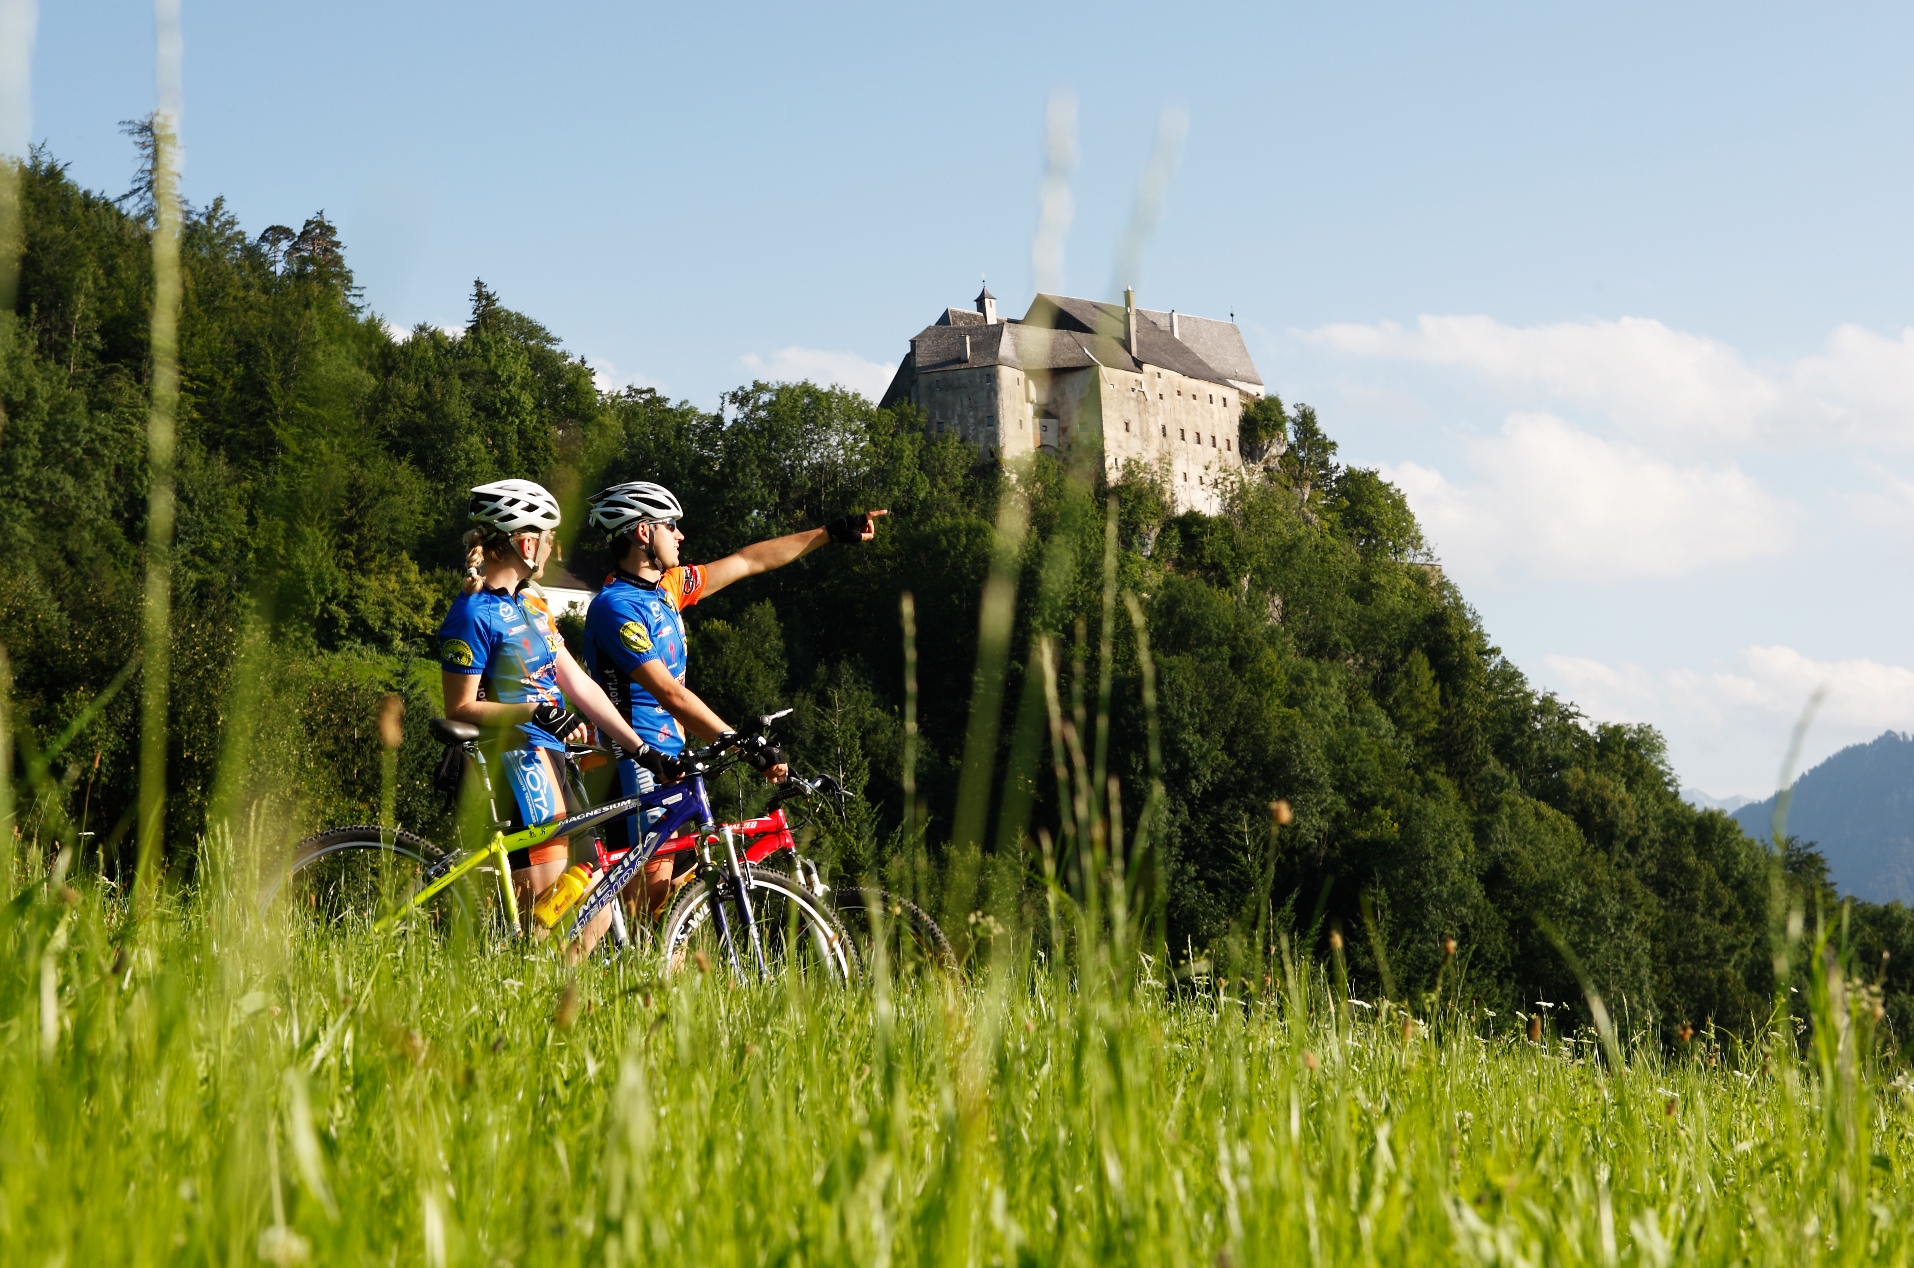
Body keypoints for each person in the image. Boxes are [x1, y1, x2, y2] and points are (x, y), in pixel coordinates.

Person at [583, 480, 885, 915]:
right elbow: (669, 692)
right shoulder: (617, 605)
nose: (681, 536)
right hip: (632, 764)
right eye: (672, 526)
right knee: (639, 905)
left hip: (672, 761)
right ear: (643, 533)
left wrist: (828, 534)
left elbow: (747, 561)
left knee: (667, 904)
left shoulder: (666, 588)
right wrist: (744, 745)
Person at [437, 478, 651, 947]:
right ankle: (522, 997)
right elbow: (461, 705)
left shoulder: (533, 604)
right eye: (549, 538)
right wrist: (535, 711)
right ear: (526, 541)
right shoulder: (474, 612)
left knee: (594, 904)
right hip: (516, 760)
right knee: (557, 915)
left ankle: (543, 1006)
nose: (554, 550)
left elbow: (578, 682)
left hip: (550, 757)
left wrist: (640, 748)